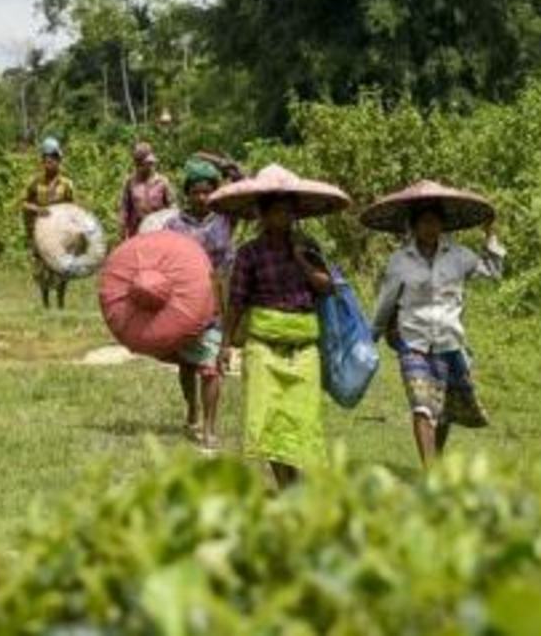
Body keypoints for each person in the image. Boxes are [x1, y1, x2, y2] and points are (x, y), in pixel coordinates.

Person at [215, 165, 349, 488]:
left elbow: (327, 287)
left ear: (294, 214)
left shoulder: (308, 246)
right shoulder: (249, 254)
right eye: (275, 211)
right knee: (270, 419)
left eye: (287, 211)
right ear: (262, 215)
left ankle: (296, 481)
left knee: (301, 419)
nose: (282, 217)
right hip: (263, 345)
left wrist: (302, 259)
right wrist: (225, 344)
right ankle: (287, 486)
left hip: (303, 347)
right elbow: (237, 301)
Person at [371, 201, 505, 467]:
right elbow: (386, 300)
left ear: (442, 225)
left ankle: (435, 463)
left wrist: (489, 235)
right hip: (413, 342)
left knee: (441, 412)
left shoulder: (459, 256)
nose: (430, 228)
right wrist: (372, 335)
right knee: (422, 406)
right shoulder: (400, 261)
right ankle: (430, 474)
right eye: (424, 222)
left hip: (449, 342)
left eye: (434, 221)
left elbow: (493, 272)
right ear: (414, 226)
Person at [164, 158, 235, 450]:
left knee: (211, 366)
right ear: (187, 193)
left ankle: (209, 427)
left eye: (207, 191)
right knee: (187, 364)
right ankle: (191, 407)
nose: (202, 197)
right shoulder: (174, 224)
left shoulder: (226, 218)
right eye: (196, 191)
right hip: (183, 304)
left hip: (217, 300)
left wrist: (222, 163)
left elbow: (246, 182)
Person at [23, 136, 76, 309]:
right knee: (42, 268)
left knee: (61, 268)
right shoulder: (35, 183)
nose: (50, 163)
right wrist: (37, 209)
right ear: (43, 161)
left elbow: (73, 207)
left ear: (59, 161)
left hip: (60, 232)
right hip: (41, 232)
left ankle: (61, 303)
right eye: (47, 160)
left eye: (54, 159)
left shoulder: (66, 184)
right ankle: (45, 304)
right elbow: (24, 203)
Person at [119, 142, 174, 239]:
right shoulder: (130, 182)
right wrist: (123, 233)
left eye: (151, 163)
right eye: (147, 164)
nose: (151, 166)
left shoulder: (162, 182)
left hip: (159, 231)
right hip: (137, 233)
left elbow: (172, 207)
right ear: (138, 164)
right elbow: (124, 210)